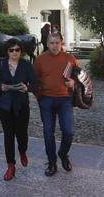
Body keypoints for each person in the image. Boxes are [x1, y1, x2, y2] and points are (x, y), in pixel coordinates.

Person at [0, 38, 37, 181]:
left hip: (21, 105)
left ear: (21, 51)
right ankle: (11, 165)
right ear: (7, 51)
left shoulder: (26, 65)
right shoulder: (0, 64)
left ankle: (22, 151)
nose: (14, 52)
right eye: (11, 50)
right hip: (5, 105)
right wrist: (0, 87)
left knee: (22, 134)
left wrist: (27, 87)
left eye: (17, 50)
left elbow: (35, 84)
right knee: (8, 134)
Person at [33, 33, 79, 176]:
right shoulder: (40, 59)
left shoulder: (70, 59)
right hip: (46, 100)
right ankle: (52, 162)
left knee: (68, 132)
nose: (54, 45)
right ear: (47, 44)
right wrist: (39, 97)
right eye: (52, 43)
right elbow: (34, 80)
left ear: (61, 43)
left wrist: (74, 83)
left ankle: (63, 154)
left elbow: (80, 77)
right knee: (48, 132)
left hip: (65, 100)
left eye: (57, 43)